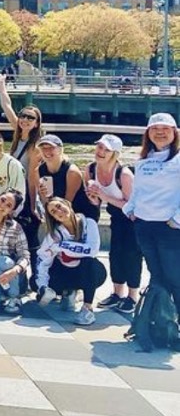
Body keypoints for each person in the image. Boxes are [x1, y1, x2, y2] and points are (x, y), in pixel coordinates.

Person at [123, 113, 180, 332]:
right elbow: (138, 191)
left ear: (174, 133)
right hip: (145, 226)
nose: (160, 132)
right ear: (148, 133)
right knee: (156, 276)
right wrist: (131, 210)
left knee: (175, 276)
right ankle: (161, 320)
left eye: (166, 128)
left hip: (170, 228)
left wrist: (176, 219)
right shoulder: (144, 160)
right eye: (155, 128)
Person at [85, 134, 138, 313]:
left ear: (114, 153)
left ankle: (132, 296)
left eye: (106, 150)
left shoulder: (123, 174)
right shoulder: (91, 169)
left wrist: (103, 196)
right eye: (99, 147)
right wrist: (93, 196)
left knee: (131, 254)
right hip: (115, 215)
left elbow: (132, 206)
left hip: (133, 218)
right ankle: (117, 293)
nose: (100, 152)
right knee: (115, 254)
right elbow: (96, 202)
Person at [35, 196, 106, 325]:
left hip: (87, 273)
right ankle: (67, 292)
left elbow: (92, 250)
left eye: (59, 206)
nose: (59, 212)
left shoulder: (88, 223)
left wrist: (62, 246)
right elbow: (43, 259)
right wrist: (43, 287)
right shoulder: (54, 234)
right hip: (65, 273)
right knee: (34, 282)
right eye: (54, 212)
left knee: (89, 262)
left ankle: (87, 309)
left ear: (67, 204)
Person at [0, 75, 43, 181]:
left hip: (23, 187)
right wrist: (1, 84)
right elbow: (6, 105)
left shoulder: (34, 146)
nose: (25, 120)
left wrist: (32, 198)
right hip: (13, 182)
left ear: (36, 124)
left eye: (30, 118)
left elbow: (32, 177)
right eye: (23, 115)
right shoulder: (18, 130)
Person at [35, 134, 93, 220]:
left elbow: (67, 204)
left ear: (60, 150)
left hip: (80, 214)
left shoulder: (72, 172)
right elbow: (46, 202)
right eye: (44, 148)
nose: (47, 151)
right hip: (57, 212)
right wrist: (43, 195)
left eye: (51, 148)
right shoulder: (39, 170)